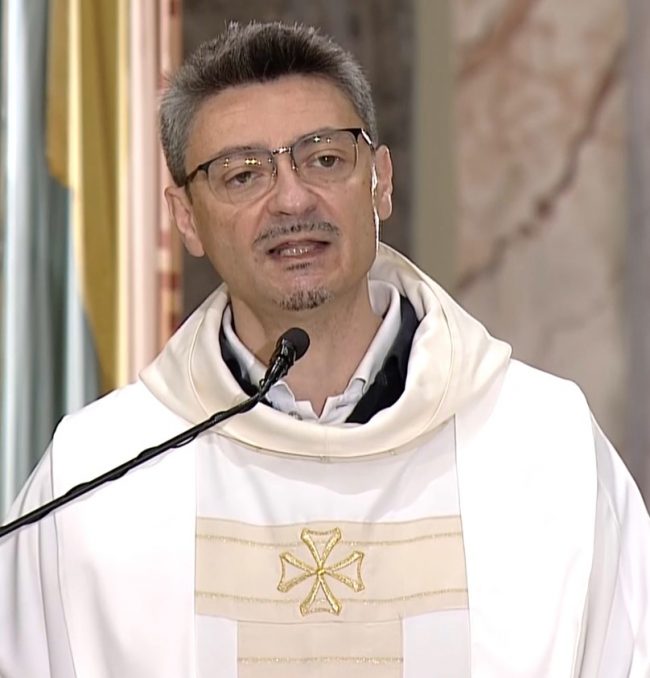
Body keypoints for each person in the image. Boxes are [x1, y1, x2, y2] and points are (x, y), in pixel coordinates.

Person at [1, 21, 649, 678]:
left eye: (325, 160)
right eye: (243, 175)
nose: (291, 199)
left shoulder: (544, 448)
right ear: (187, 218)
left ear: (381, 182)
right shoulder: (96, 478)